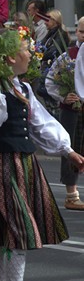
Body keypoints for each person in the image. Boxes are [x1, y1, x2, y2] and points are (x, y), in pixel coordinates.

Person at [0, 34, 84, 281]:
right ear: (10, 58)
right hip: (0, 162)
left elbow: (39, 123)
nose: (30, 55)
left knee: (6, 229)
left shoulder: (22, 87)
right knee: (19, 228)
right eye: (26, 50)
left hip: (23, 162)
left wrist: (67, 150)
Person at [47, 16, 84, 210]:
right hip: (72, 111)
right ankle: (72, 194)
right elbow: (50, 81)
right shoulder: (67, 55)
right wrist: (64, 96)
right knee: (72, 147)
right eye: (80, 31)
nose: (83, 35)